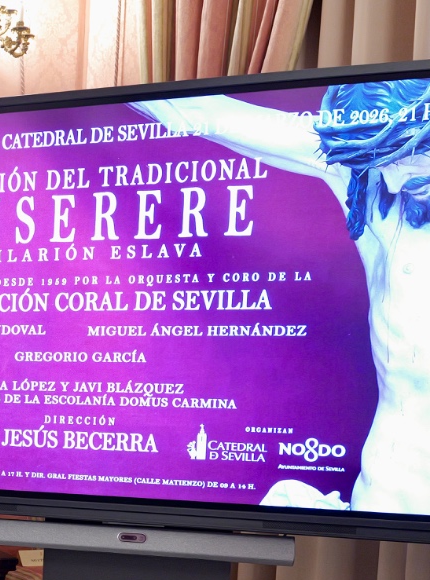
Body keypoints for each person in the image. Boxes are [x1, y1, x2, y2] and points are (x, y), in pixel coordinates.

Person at [132, 79, 430, 513]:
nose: (394, 180)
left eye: (403, 155)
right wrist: (98, 91)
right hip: (382, 498)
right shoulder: (373, 191)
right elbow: (210, 117)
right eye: (379, 163)